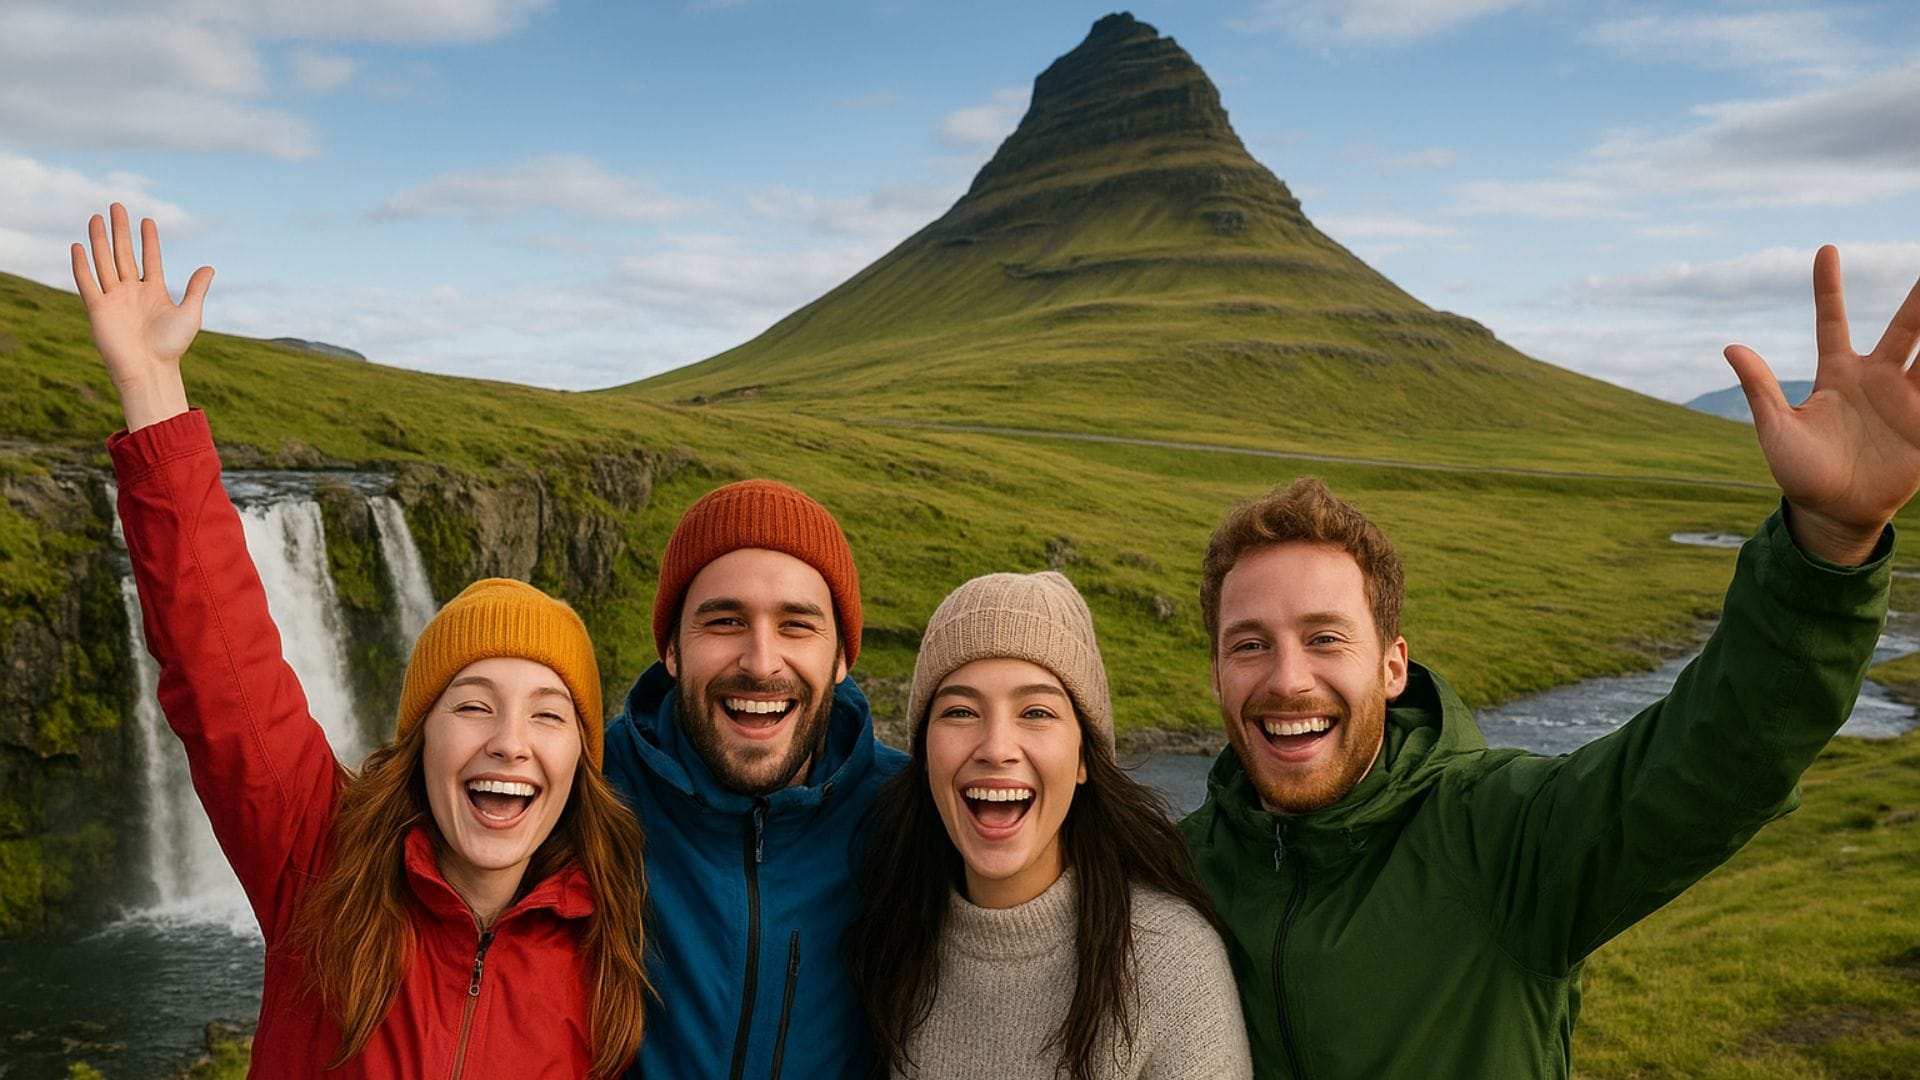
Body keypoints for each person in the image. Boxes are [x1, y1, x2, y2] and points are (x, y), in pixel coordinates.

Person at [1179, 246, 1920, 1078]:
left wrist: (1830, 542)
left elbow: (1721, 755)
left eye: (1325, 639)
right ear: (1216, 673)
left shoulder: (1507, 842)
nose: (1287, 679)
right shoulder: (1174, 870)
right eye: (1250, 644)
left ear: (1393, 667)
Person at [77, 204, 651, 1078]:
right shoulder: (319, 868)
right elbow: (221, 666)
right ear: (420, 737)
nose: (510, 742)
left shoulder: (612, 954)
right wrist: (153, 387)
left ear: (582, 757)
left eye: (549, 714)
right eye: (472, 705)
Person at [848, 571, 1252, 1079]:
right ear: (925, 754)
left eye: (1036, 712)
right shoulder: (886, 934)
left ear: (1084, 757)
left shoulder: (1170, 963)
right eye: (961, 711)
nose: (996, 748)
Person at [601, 478, 909, 1078]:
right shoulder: (587, 788)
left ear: (842, 657)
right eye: (724, 621)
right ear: (671, 649)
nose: (761, 662)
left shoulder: (909, 813)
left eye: (796, 625)